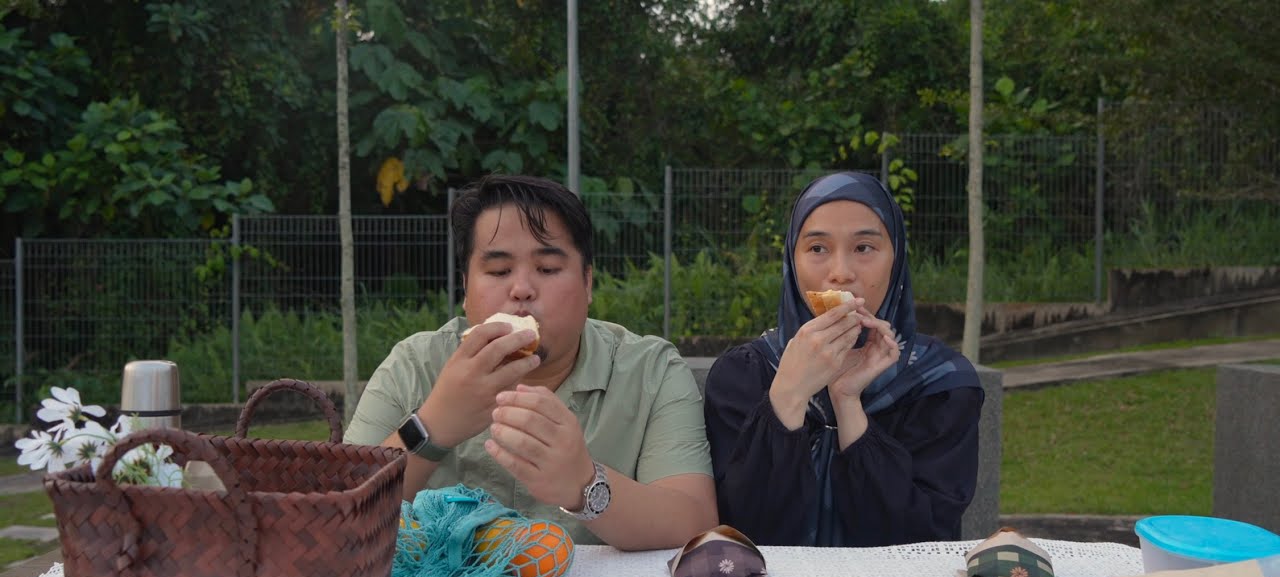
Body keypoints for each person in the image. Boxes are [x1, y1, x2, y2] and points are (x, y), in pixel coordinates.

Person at [344, 174, 717, 550]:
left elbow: (695, 523)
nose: (521, 289)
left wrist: (585, 485)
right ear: (465, 289)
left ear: (588, 283)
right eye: (499, 271)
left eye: (548, 269)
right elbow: (336, 517)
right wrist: (430, 429)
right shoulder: (413, 366)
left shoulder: (650, 372)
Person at [702, 171, 984, 547]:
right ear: (792, 260)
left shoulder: (940, 384)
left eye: (864, 248)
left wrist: (848, 403)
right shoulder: (742, 376)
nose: (841, 274)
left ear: (895, 260)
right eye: (817, 248)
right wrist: (788, 393)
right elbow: (739, 531)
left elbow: (921, 541)